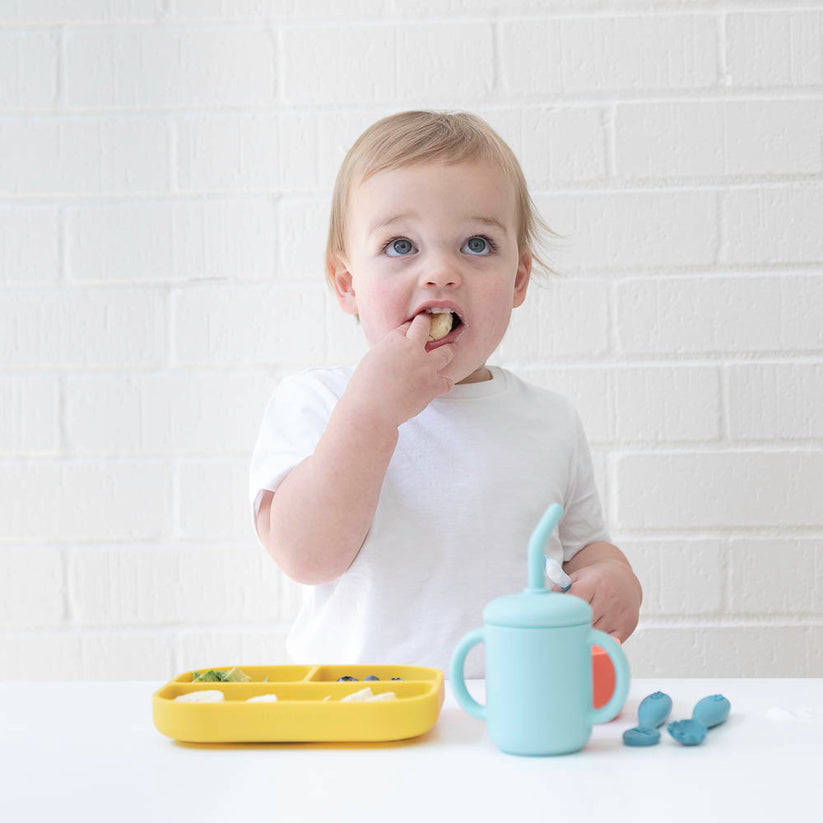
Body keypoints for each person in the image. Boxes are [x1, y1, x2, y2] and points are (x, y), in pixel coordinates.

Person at [249, 110, 642, 677]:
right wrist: (371, 411)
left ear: (518, 281)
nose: (441, 272)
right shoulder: (317, 401)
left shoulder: (549, 421)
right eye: (400, 245)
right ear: (347, 285)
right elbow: (305, 555)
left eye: (477, 244)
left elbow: (586, 549)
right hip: (357, 715)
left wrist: (612, 578)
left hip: (515, 710)